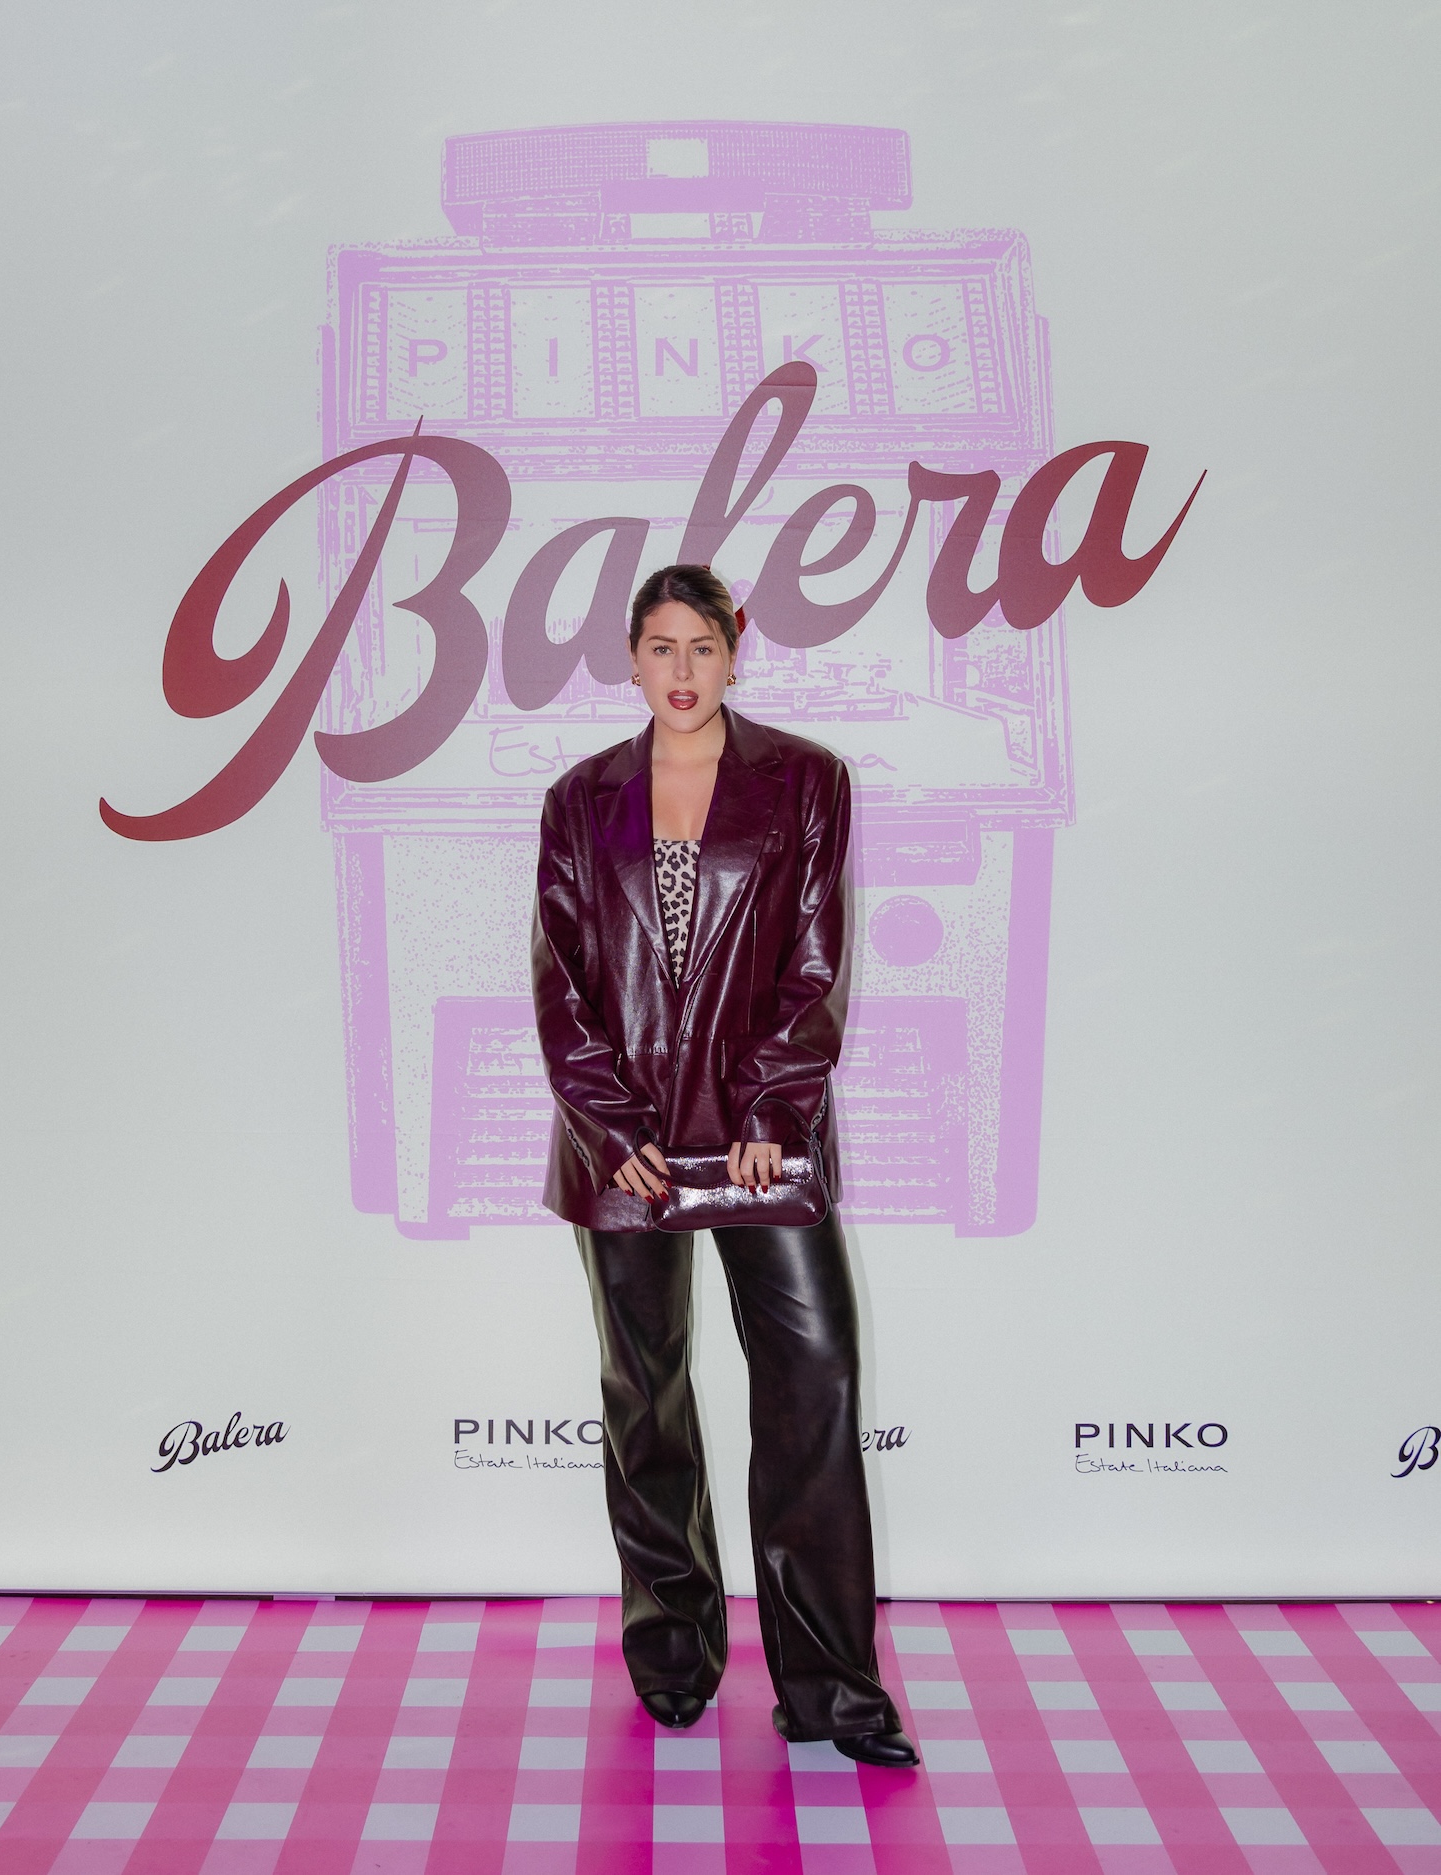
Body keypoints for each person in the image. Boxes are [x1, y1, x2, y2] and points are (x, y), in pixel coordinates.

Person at [530, 564, 917, 1767]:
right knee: (645, 1400)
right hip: (628, 1147)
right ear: (630, 659)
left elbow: (816, 956)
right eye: (661, 647)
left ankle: (832, 1692)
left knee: (813, 1381)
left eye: (702, 646)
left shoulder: (805, 780)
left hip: (762, 1141)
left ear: (734, 653)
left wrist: (772, 1106)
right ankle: (673, 1654)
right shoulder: (579, 798)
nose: (683, 670)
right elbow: (560, 981)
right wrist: (612, 1129)